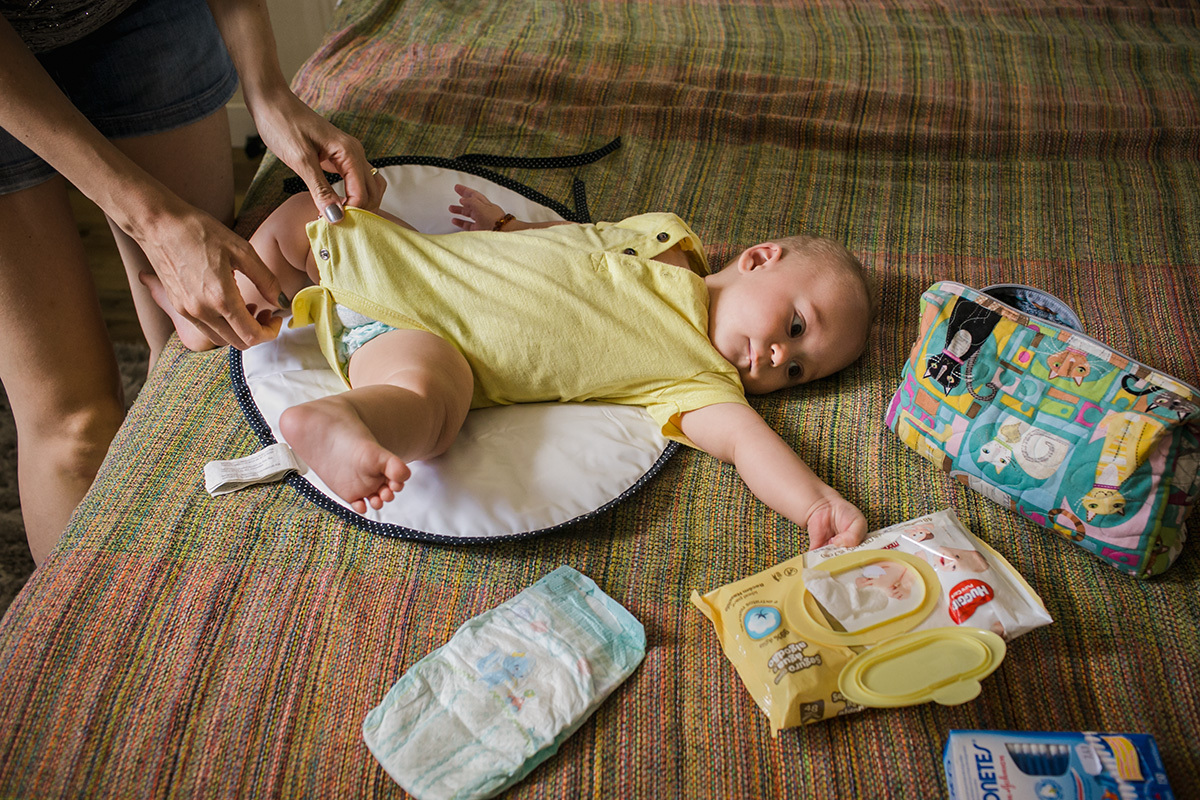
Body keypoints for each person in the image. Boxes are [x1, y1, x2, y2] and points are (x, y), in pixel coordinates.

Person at [161, 184, 877, 549]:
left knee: (434, 407)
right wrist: (509, 228)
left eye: (797, 374)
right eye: (794, 328)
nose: (780, 359)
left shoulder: (699, 380)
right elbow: (578, 242)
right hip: (411, 261)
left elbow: (750, 445)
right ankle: (225, 310)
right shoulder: (667, 243)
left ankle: (339, 421)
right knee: (312, 217)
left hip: (423, 344)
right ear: (758, 260)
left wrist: (816, 503)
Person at [0, 0, 385, 564]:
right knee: (75, 427)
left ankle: (174, 563)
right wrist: (152, 222)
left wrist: (268, 90)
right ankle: (100, 644)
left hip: (137, 15)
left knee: (198, 351)